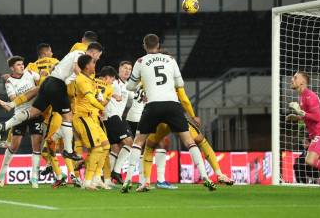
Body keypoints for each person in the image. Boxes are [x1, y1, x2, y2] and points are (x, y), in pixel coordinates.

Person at [121, 34, 216, 193]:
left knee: (138, 142)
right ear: (158, 45)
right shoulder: (170, 60)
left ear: (144, 46)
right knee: (189, 141)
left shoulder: (140, 62)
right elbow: (179, 84)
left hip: (153, 106)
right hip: (173, 105)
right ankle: (206, 177)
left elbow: (129, 87)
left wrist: (143, 80)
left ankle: (128, 180)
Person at [0, 42, 101, 161]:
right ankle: (68, 151)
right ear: (94, 52)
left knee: (33, 111)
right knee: (68, 117)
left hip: (48, 82)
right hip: (58, 85)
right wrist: (84, 79)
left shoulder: (69, 55)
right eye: (98, 56)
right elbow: (76, 68)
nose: (98, 58)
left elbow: (51, 69)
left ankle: (5, 125)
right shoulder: (80, 54)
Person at [0, 56, 43, 188]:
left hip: (35, 112)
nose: (22, 66)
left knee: (37, 145)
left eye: (22, 64)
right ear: (12, 68)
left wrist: (43, 75)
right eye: (18, 65)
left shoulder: (29, 73)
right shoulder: (9, 82)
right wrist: (32, 92)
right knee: (14, 146)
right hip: (20, 115)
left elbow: (41, 79)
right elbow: (14, 98)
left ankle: (34, 178)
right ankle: (2, 173)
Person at [72, 53, 109, 190]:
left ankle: (97, 177)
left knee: (105, 146)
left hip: (92, 118)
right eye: (93, 62)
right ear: (87, 66)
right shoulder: (81, 80)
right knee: (97, 148)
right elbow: (90, 100)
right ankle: (87, 182)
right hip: (83, 117)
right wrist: (102, 108)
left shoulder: (90, 79)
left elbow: (95, 97)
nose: (95, 65)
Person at [103, 61, 135, 184]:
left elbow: (134, 95)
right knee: (130, 143)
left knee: (115, 148)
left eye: (129, 69)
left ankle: (107, 179)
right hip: (112, 116)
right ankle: (116, 171)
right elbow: (101, 90)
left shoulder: (126, 85)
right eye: (125, 68)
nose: (127, 71)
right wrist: (113, 95)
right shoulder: (113, 82)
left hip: (114, 118)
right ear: (119, 69)